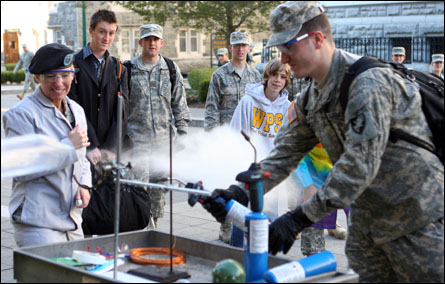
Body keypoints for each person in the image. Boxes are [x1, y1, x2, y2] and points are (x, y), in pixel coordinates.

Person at [204, 2, 444, 282]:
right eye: (279, 48)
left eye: (288, 46)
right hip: (368, 224)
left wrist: (298, 219)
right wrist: (240, 193)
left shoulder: (367, 84)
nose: (283, 56)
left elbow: (358, 167)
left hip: (414, 220)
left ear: (317, 39)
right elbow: (284, 154)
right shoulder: (312, 97)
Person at [3, 43, 91, 247]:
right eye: (51, 76)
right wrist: (66, 147)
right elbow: (22, 167)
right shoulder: (21, 114)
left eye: (65, 75)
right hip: (38, 223)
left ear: (73, 75)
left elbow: (82, 157)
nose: (59, 83)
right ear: (38, 78)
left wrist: (84, 185)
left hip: (73, 221)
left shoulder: (76, 110)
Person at [123, 24, 191, 228]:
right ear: (140, 42)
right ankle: (140, 228)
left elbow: (179, 102)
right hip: (137, 141)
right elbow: (120, 106)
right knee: (137, 188)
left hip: (163, 141)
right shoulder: (127, 69)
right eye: (147, 39)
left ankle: (156, 228)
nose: (152, 43)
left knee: (158, 190)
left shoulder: (170, 68)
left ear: (161, 42)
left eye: (155, 40)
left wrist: (183, 133)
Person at [205, 31, 262, 243]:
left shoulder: (256, 77)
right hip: (227, 139)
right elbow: (211, 109)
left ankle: (247, 225)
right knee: (227, 184)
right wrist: (212, 138)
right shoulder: (219, 76)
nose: (240, 49)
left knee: (248, 185)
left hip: (250, 140)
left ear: (249, 49)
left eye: (244, 46)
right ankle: (226, 226)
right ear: (230, 48)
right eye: (236, 45)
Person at [229, 58, 291, 247]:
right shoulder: (248, 101)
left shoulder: (287, 107)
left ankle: (263, 253)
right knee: (241, 211)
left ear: (286, 81)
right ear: (267, 77)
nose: (277, 80)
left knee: (267, 213)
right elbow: (235, 131)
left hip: (272, 169)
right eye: (274, 75)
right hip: (248, 165)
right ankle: (236, 252)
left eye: (282, 77)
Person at [68, 9, 128, 167]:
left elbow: (121, 111)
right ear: (91, 31)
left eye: (111, 33)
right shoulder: (72, 65)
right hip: (82, 146)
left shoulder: (119, 68)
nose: (106, 38)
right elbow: (71, 107)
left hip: (109, 152)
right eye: (102, 32)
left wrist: (110, 147)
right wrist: (91, 144)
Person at [292, 144, 349, 256]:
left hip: (352, 174)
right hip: (314, 174)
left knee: (366, 238)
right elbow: (292, 150)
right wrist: (306, 184)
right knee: (313, 246)